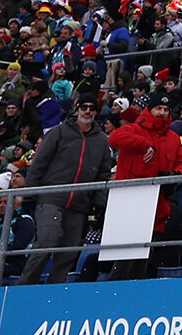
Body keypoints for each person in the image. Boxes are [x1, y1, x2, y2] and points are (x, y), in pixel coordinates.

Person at [16, 94, 112, 284]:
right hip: (51, 197)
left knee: (68, 251)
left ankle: (54, 294)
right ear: (76, 109)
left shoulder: (101, 140)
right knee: (47, 241)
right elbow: (39, 164)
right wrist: (30, 195)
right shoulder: (59, 132)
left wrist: (99, 203)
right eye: (84, 107)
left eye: (92, 108)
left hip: (79, 204)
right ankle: (24, 287)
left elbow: (103, 174)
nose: (87, 111)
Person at [107, 91, 182, 280]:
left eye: (166, 109)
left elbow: (180, 163)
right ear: (149, 110)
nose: (162, 113)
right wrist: (144, 144)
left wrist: (176, 174)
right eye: (158, 108)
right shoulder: (134, 129)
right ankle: (113, 296)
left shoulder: (174, 138)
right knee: (124, 257)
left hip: (159, 202)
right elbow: (114, 138)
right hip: (131, 201)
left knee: (146, 257)